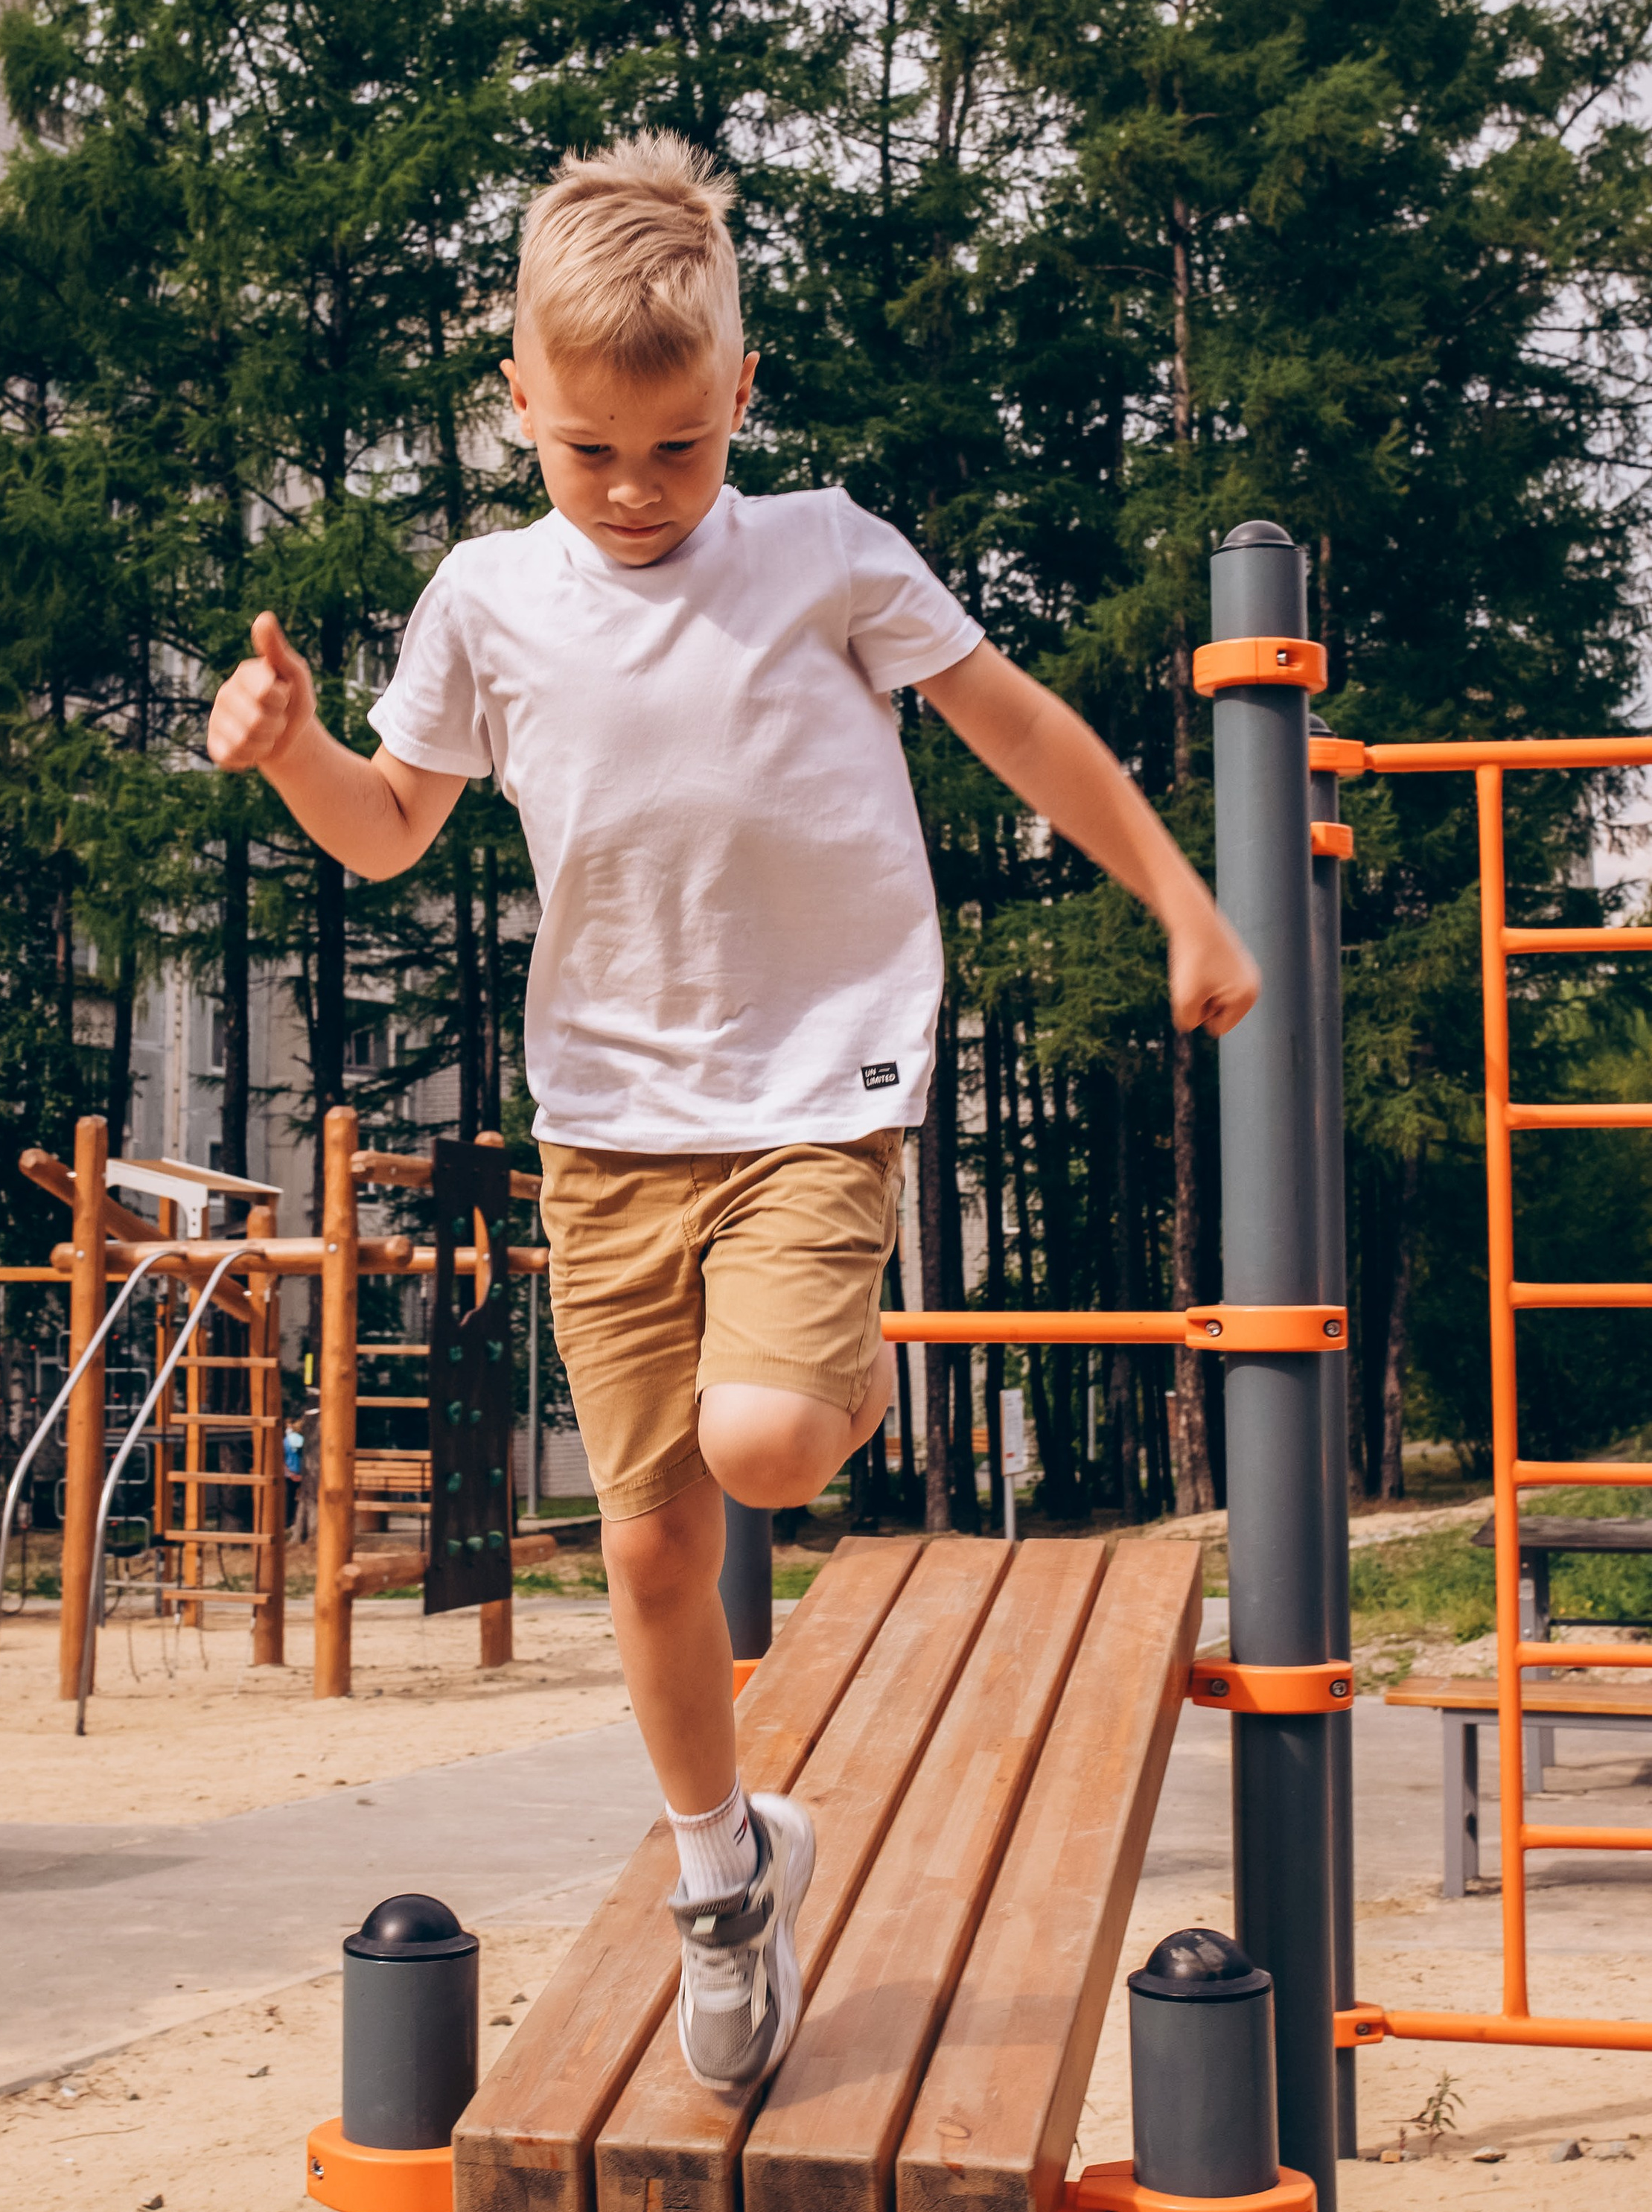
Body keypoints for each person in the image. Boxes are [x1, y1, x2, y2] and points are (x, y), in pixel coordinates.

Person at [206, 134, 1258, 2095]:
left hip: (813, 1095)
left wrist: (1180, 895)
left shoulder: (828, 553)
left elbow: (1014, 720)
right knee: (650, 1556)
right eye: (591, 449)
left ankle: (834, 1374)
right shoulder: (484, 601)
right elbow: (387, 830)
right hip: (607, 1131)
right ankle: (726, 1871)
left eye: (676, 452)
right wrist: (292, 756)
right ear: (517, 397)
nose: (631, 493)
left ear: (738, 403)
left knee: (765, 1446)